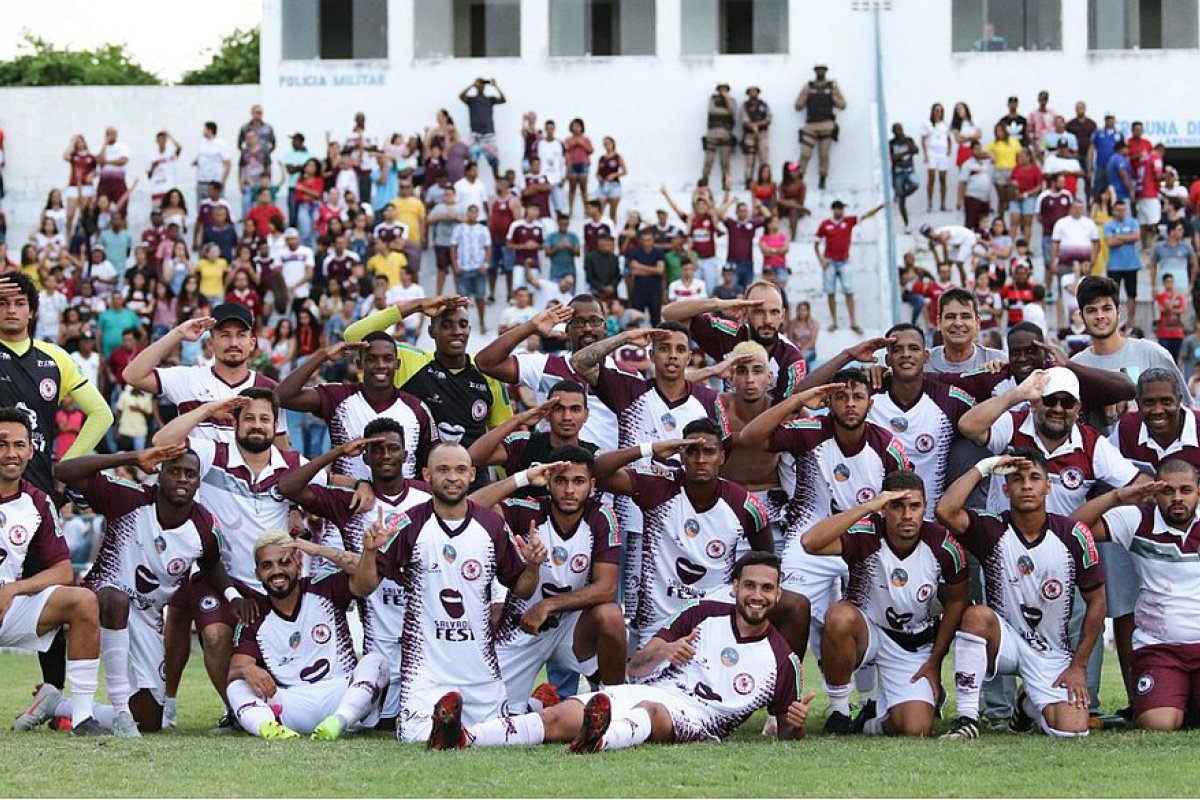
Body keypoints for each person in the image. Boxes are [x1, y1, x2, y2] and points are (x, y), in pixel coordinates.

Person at [429, 552, 812, 750]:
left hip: (701, 721)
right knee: (559, 715)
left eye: (766, 589)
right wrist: (664, 649)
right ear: (734, 587)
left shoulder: (782, 661)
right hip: (652, 689)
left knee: (653, 714)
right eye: (750, 586)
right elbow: (637, 667)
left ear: (778, 594)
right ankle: (463, 738)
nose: (757, 596)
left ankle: (600, 739)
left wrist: (794, 721)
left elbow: (787, 738)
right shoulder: (702, 613)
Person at [356, 442, 544, 741]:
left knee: (500, 739)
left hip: (479, 669)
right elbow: (362, 587)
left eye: (460, 470)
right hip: (426, 671)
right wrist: (368, 553)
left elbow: (521, 590)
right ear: (427, 475)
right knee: (416, 737)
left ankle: (532, 707)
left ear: (472, 474)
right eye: (443, 470)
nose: (452, 477)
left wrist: (533, 567)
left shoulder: (492, 525)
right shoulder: (407, 524)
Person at [53, 443, 238, 737]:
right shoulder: (129, 498)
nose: (182, 479)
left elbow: (212, 563)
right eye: (174, 471)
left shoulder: (203, 526)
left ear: (198, 481)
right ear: (159, 475)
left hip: (149, 616)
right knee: (117, 600)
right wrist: (132, 456)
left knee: (150, 723)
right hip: (102, 597)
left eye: (190, 474)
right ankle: (119, 710)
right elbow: (63, 470)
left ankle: (58, 705)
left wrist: (232, 595)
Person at [737, 365, 911, 667]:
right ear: (829, 401)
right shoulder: (809, 431)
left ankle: (865, 701)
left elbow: (902, 503)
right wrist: (797, 400)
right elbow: (750, 437)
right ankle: (785, 698)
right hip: (809, 540)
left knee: (869, 618)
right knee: (789, 608)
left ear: (871, 403)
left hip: (866, 542)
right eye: (841, 397)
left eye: (858, 396)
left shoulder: (888, 447)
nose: (851, 404)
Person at [936, 450, 1107, 739]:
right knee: (976, 615)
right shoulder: (991, 528)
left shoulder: (1073, 533)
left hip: (1051, 653)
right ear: (1005, 488)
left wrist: (1078, 666)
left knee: (1072, 730)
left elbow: (1098, 602)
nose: (1026, 485)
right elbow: (946, 511)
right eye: (1017, 479)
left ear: (1048, 486)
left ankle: (1028, 704)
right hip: (1003, 642)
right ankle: (966, 718)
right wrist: (985, 467)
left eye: (1034, 478)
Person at [278, 424, 432, 726]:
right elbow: (289, 488)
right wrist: (338, 454)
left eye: (393, 448)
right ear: (366, 455)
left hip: (427, 632)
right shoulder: (349, 501)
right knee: (384, 725)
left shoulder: (428, 497)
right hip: (379, 637)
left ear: (405, 454)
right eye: (377, 449)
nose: (386, 455)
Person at [800, 471, 968, 736]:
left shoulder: (943, 546)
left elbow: (957, 602)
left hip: (911, 643)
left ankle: (869, 722)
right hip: (867, 632)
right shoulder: (867, 533)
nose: (907, 515)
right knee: (839, 617)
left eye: (915, 506)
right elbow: (810, 542)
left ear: (925, 506)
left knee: (915, 729)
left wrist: (935, 660)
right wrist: (868, 506)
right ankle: (839, 712)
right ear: (884, 508)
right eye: (897, 506)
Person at [467, 446, 625, 709]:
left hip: (573, 629)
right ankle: (537, 705)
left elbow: (606, 589)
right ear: (549, 482)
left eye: (579, 481)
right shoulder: (528, 510)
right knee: (492, 712)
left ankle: (614, 702)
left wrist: (548, 605)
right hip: (524, 624)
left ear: (592, 484)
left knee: (610, 616)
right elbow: (469, 507)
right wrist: (524, 478)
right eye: (561, 481)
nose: (570, 490)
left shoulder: (601, 517)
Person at [1071, 460, 1200, 731]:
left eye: (1185, 490)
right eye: (1167, 491)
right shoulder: (1136, 518)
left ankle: (1185, 703)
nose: (1177, 498)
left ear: (1198, 492)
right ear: (1155, 494)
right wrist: (1117, 496)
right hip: (1159, 647)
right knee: (1158, 724)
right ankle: (1175, 701)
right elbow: (1072, 529)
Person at [226, 528, 389, 739]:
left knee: (377, 662)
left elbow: (367, 582)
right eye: (267, 565)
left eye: (284, 562)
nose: (277, 571)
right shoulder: (255, 615)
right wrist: (248, 670)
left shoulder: (323, 587)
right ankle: (269, 730)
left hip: (342, 695)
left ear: (298, 563)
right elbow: (234, 670)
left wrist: (321, 550)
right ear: (257, 574)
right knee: (237, 685)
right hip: (290, 704)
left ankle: (338, 723)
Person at [0, 408, 105, 736]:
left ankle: (82, 716)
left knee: (84, 601)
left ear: (32, 451)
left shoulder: (37, 502)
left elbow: (62, 570)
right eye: (1, 444)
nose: (10, 453)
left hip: (7, 606)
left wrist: (13, 589)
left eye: (19, 445)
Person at [345, 296, 512, 452]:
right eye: (446, 325)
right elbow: (354, 337)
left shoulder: (487, 371)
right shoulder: (412, 361)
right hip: (420, 478)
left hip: (473, 479)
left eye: (462, 325)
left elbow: (504, 439)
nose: (456, 331)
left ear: (469, 329)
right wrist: (417, 306)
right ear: (432, 331)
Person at [122, 302, 287, 444]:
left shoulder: (269, 390)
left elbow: (281, 451)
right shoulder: (188, 378)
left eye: (241, 335)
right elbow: (132, 376)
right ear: (211, 342)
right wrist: (177, 333)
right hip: (196, 479)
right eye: (224, 335)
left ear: (252, 343)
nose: (233, 343)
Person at [276, 335, 438, 480]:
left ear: (397, 363)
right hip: (347, 505)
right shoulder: (339, 397)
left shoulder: (417, 409)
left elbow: (432, 463)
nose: (380, 365)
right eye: (371, 359)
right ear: (359, 364)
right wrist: (323, 355)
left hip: (401, 510)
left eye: (387, 358)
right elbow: (281, 397)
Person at [474, 298, 618, 453]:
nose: (587, 328)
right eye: (578, 322)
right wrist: (530, 327)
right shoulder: (545, 366)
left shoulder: (626, 374)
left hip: (607, 470)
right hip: (551, 468)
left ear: (605, 327)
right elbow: (485, 362)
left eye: (595, 321)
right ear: (566, 330)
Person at [1071, 276, 1190, 409]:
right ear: (1082, 316)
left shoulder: (1151, 354)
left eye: (1106, 308)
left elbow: (1186, 409)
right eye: (1091, 310)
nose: (1100, 316)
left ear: (1118, 312)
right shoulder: (1076, 365)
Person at [467, 381, 596, 499]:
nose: (567, 417)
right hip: (521, 523)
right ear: (547, 412)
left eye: (575, 409)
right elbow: (473, 457)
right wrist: (518, 420)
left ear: (586, 415)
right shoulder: (523, 443)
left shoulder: (594, 455)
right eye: (558, 409)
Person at [1049, 200, 1101, 330]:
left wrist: (1092, 261)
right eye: (1075, 208)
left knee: (1085, 293)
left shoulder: (1089, 223)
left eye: (1080, 208)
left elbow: (1096, 243)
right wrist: (1054, 260)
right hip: (1065, 263)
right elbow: (1055, 243)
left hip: (1085, 264)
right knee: (1063, 293)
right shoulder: (1061, 223)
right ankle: (1061, 324)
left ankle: (1084, 324)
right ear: (1070, 208)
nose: (1077, 210)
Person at [795, 64, 846, 190]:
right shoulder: (809, 87)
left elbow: (842, 105)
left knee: (824, 155)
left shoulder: (832, 86)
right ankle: (798, 179)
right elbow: (798, 106)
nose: (820, 72)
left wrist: (832, 97)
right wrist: (806, 98)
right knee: (804, 154)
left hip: (826, 124)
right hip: (811, 124)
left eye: (822, 69)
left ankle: (822, 180)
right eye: (818, 69)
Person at [450, 204, 492, 332]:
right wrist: (455, 265)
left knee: (480, 297)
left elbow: (488, 248)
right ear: (467, 213)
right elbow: (453, 247)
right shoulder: (459, 229)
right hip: (463, 268)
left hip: (478, 268)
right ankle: (464, 323)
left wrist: (485, 264)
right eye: (470, 212)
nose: (472, 215)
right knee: (463, 299)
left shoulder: (483, 229)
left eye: (475, 212)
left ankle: (482, 322)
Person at [459, 78, 505, 181]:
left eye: (482, 84)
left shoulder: (490, 99)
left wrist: (495, 86)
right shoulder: (471, 100)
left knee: (494, 163)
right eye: (478, 84)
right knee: (472, 164)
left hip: (489, 135)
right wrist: (471, 85)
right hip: (475, 136)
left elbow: (503, 99)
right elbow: (461, 96)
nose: (480, 86)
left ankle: (498, 185)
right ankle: (471, 186)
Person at [701, 83, 738, 186]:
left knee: (725, 162)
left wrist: (727, 99)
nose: (723, 91)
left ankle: (725, 182)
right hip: (712, 133)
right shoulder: (713, 99)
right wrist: (726, 111)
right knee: (708, 160)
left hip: (726, 135)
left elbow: (733, 111)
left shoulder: (732, 100)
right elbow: (712, 111)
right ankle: (704, 179)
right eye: (721, 89)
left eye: (725, 89)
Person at [921, 103, 952, 213]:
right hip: (931, 153)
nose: (938, 112)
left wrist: (949, 149)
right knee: (931, 178)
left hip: (942, 154)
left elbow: (948, 138)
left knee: (943, 178)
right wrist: (925, 154)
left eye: (940, 110)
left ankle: (943, 204)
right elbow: (923, 139)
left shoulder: (945, 125)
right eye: (936, 110)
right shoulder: (927, 123)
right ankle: (930, 203)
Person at [889, 123, 919, 230]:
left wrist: (906, 141)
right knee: (902, 202)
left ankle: (902, 195)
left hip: (909, 170)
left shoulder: (908, 140)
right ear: (893, 132)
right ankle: (906, 223)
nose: (899, 131)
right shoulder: (891, 143)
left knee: (916, 184)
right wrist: (906, 152)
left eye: (900, 129)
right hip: (898, 173)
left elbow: (916, 150)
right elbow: (893, 157)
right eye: (896, 130)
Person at [741, 86, 772, 187]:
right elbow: (744, 119)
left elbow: (769, 118)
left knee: (764, 158)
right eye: (751, 91)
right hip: (749, 134)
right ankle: (748, 180)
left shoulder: (764, 105)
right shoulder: (745, 105)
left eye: (754, 91)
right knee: (749, 159)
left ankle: (765, 180)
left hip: (762, 133)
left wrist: (757, 125)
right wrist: (752, 126)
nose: (753, 93)